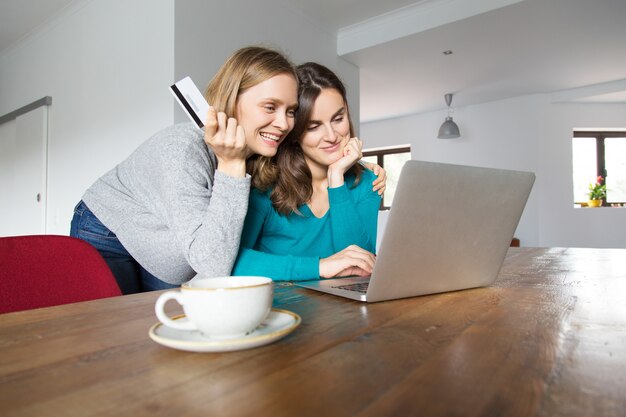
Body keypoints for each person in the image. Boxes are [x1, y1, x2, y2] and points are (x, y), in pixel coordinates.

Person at [70, 47, 385, 294]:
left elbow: (212, 256)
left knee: (157, 340)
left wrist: (344, 174)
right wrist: (232, 165)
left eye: (290, 111)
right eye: (270, 107)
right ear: (234, 102)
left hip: (175, 250)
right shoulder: (182, 149)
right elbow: (215, 264)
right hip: (109, 229)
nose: (284, 123)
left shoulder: (261, 158)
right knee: (113, 332)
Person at [232, 62, 381, 280]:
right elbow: (233, 263)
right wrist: (319, 267)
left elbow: (360, 267)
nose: (331, 136)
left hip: (344, 312)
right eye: (313, 126)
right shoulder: (264, 182)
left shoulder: (368, 181)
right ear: (295, 132)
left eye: (338, 119)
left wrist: (336, 179)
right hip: (278, 309)